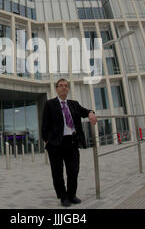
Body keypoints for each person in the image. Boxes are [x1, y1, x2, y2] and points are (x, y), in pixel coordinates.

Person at [41, 78, 97, 207]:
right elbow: (44, 125)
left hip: (71, 142)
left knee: (73, 170)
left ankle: (72, 195)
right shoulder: (49, 104)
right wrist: (47, 140)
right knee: (57, 172)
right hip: (55, 144)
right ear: (56, 89)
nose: (64, 88)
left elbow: (85, 111)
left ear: (68, 89)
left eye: (66, 86)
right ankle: (63, 196)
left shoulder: (74, 104)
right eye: (61, 86)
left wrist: (91, 113)